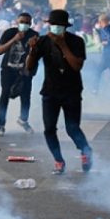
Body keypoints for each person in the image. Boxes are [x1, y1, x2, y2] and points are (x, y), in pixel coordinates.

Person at [26, 9, 93, 175]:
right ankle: (58, 160)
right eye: (53, 25)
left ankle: (85, 151)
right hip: (50, 91)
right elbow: (29, 67)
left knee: (72, 128)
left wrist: (62, 45)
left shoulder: (76, 41)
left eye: (59, 26)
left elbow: (76, 66)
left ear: (65, 27)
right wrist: (32, 51)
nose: (55, 28)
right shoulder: (42, 41)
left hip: (71, 91)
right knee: (49, 129)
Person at [0, 12, 38, 137]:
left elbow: (36, 55)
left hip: (24, 72)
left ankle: (23, 120)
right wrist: (14, 39)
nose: (24, 24)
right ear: (17, 22)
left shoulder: (34, 35)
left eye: (27, 22)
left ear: (30, 23)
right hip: (8, 70)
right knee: (4, 96)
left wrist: (33, 48)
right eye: (22, 22)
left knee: (26, 97)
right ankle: (1, 125)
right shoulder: (9, 33)